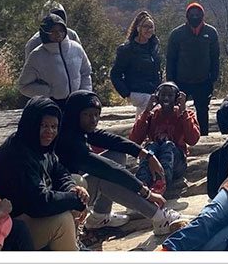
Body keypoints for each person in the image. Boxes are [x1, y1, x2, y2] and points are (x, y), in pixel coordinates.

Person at [53, 91, 185, 235]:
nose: (93, 120)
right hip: (58, 206)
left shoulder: (73, 127)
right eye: (87, 115)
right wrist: (146, 193)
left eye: (96, 114)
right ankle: (160, 218)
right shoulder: (67, 139)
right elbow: (108, 169)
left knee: (117, 154)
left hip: (69, 194)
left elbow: (111, 140)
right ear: (75, 114)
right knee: (104, 178)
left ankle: (99, 217)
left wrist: (146, 155)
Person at [0, 97, 87, 251]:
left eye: (54, 126)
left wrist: (73, 189)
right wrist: (75, 200)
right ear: (32, 124)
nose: (50, 132)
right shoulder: (17, 153)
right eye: (44, 125)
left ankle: (71, 243)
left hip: (28, 213)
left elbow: (59, 170)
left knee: (78, 182)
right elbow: (39, 203)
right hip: (9, 229)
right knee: (62, 220)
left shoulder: (39, 145)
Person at [128, 82, 201, 194]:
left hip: (176, 163)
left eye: (170, 95)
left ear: (176, 98)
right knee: (150, 146)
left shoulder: (186, 114)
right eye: (163, 95)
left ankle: (161, 182)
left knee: (168, 145)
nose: (166, 98)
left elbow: (193, 140)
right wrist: (146, 111)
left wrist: (184, 112)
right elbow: (134, 140)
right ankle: (142, 183)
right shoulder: (152, 115)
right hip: (153, 161)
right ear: (157, 97)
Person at [166, 2, 221, 135]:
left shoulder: (211, 32)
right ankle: (177, 137)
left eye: (198, 14)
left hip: (203, 81)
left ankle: (203, 137)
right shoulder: (177, 34)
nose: (195, 16)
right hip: (181, 81)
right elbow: (170, 58)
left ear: (202, 15)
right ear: (187, 15)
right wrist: (170, 81)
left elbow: (215, 57)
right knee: (178, 110)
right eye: (192, 14)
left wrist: (213, 77)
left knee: (202, 111)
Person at [16, 13, 92, 104]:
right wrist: (49, 92)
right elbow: (23, 85)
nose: (58, 34)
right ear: (45, 33)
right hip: (51, 105)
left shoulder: (76, 48)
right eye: (53, 31)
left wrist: (84, 94)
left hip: (76, 103)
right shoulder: (36, 56)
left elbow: (86, 73)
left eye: (61, 30)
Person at [110, 11, 162, 117]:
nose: (149, 30)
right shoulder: (127, 49)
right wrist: (127, 93)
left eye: (151, 27)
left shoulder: (154, 47)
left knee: (144, 124)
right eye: (146, 26)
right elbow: (115, 74)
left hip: (153, 93)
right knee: (147, 121)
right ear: (138, 28)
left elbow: (157, 71)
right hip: (137, 93)